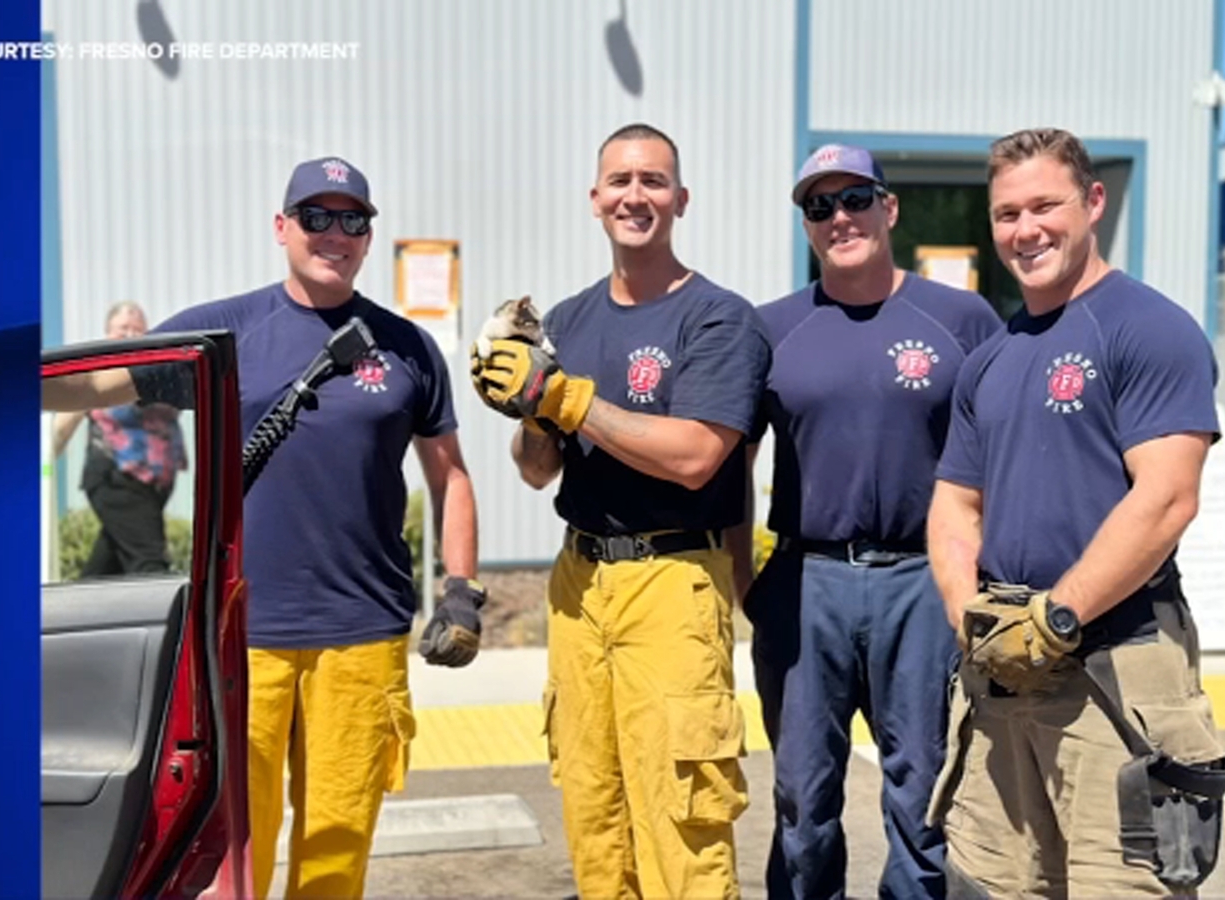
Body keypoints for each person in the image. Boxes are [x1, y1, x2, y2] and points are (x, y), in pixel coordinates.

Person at [41, 156, 485, 900]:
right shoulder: (223, 333)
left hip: (363, 637)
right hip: (242, 639)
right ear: (282, 228)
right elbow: (91, 383)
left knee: (335, 860)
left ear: (369, 237)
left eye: (353, 219)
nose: (334, 233)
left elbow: (452, 474)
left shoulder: (406, 346)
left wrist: (462, 589)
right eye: (316, 216)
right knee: (229, 864)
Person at [470, 123, 770, 900]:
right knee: (593, 806)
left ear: (680, 199)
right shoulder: (566, 321)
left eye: (653, 181)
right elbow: (539, 473)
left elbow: (698, 454)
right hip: (578, 584)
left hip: (673, 582)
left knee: (682, 817)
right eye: (620, 181)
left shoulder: (718, 318)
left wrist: (563, 398)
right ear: (595, 199)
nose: (635, 196)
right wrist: (524, 408)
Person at [926, 128, 1225, 897]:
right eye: (1005, 214)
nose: (1024, 230)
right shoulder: (992, 357)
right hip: (1001, 678)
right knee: (986, 884)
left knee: (1123, 883)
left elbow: (1165, 498)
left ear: (1093, 202)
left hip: (1114, 667)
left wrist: (1058, 617)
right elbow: (957, 505)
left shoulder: (1147, 328)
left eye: (1044, 206)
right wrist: (970, 616)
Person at [745, 144, 1002, 900]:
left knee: (922, 795)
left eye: (855, 199)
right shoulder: (771, 329)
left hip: (922, 581)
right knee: (801, 797)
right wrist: (743, 579)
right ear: (806, 226)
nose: (840, 218)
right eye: (819, 207)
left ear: (889, 208)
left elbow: (1001, 451)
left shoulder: (962, 319)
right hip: (805, 579)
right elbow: (726, 460)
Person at [52, 300, 188, 576]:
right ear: (107, 333)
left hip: (153, 487)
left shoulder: (155, 370)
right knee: (149, 562)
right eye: (122, 328)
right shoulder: (102, 372)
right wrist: (43, 462)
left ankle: (80, 610)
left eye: (137, 329)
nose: (129, 334)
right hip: (117, 479)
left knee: (106, 564)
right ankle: (160, 615)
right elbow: (65, 421)